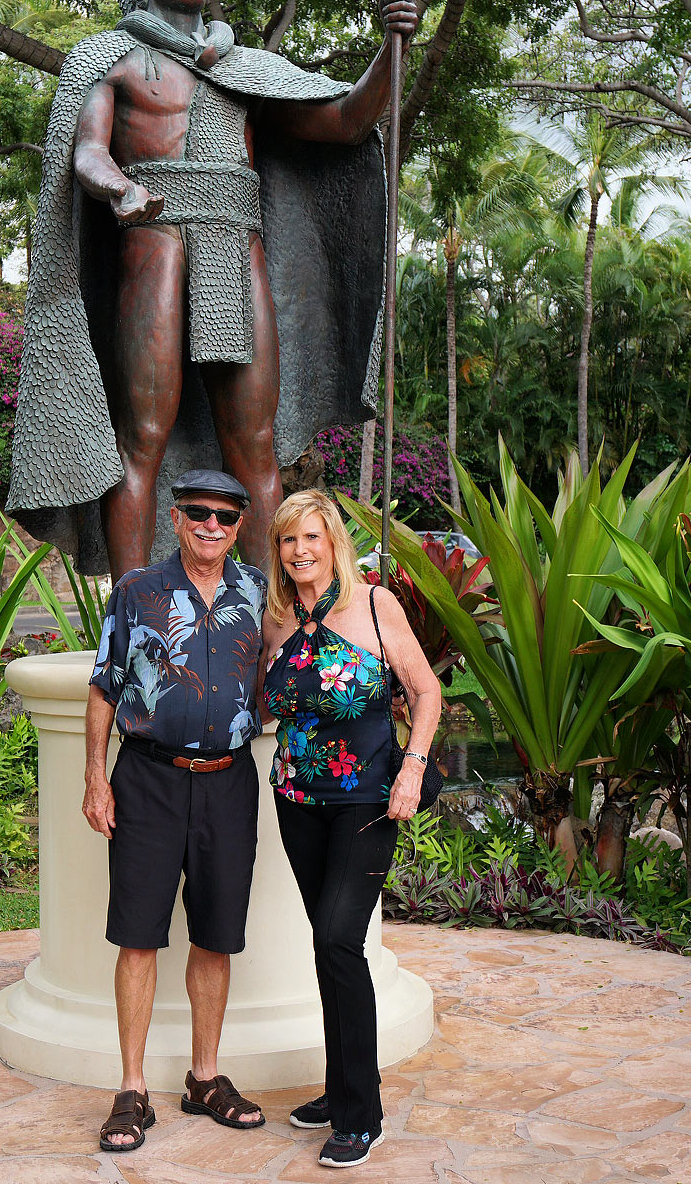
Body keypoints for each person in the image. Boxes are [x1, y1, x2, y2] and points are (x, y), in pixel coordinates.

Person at [7, 0, 419, 579]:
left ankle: (267, 621)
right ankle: (131, 623)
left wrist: (390, 52)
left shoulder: (245, 68)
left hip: (237, 247)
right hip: (155, 243)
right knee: (142, 438)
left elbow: (347, 118)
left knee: (254, 447)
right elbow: (87, 154)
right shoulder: (115, 59)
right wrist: (122, 189)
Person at [83, 468, 268, 1152]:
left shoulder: (256, 592)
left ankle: (204, 1078)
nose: (212, 526)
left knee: (216, 934)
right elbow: (105, 686)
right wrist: (95, 778)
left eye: (225, 516)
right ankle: (131, 1088)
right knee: (137, 934)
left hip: (228, 782)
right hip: (149, 780)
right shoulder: (137, 592)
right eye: (199, 513)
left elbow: (287, 668)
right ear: (176, 518)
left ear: (240, 525)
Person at [260, 490, 441, 1169]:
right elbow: (259, 701)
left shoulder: (374, 606)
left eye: (310, 536)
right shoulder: (277, 621)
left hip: (367, 799)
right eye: (287, 540)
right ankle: (340, 1091)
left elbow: (426, 691)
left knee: (340, 936)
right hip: (296, 801)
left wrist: (413, 767)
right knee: (327, 944)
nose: (299, 551)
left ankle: (363, 1115)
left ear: (333, 539)